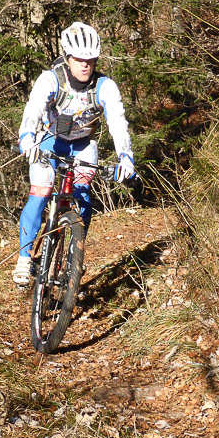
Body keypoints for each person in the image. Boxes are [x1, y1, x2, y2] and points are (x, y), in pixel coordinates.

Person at [12, 22, 135, 286]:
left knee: (83, 196)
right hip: (49, 140)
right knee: (41, 191)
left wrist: (125, 156)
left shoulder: (105, 87)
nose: (85, 65)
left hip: (82, 143)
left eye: (90, 60)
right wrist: (27, 138)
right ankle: (24, 257)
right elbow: (33, 109)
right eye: (79, 60)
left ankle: (73, 256)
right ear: (68, 58)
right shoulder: (51, 79)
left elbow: (118, 122)